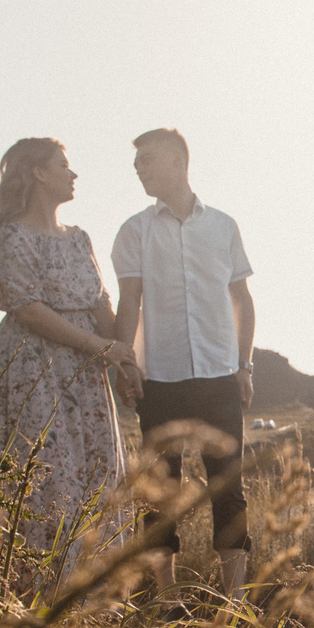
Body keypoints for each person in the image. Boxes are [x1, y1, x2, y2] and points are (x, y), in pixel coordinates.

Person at [0, 137, 142, 582]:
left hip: (86, 377)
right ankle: (41, 592)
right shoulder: (12, 236)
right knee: (49, 477)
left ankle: (95, 596)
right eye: (64, 166)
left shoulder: (80, 238)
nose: (73, 174)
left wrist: (125, 363)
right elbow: (29, 309)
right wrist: (100, 349)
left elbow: (99, 306)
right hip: (37, 368)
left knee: (98, 473)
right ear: (38, 173)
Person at [111, 127, 255, 599]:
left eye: (147, 160)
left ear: (177, 160)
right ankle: (166, 599)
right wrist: (125, 364)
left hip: (218, 376)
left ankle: (232, 606)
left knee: (227, 491)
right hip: (161, 380)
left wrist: (244, 365)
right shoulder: (134, 230)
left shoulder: (223, 226)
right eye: (136, 164)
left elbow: (243, 301)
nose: (138, 169)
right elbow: (128, 303)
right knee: (160, 492)